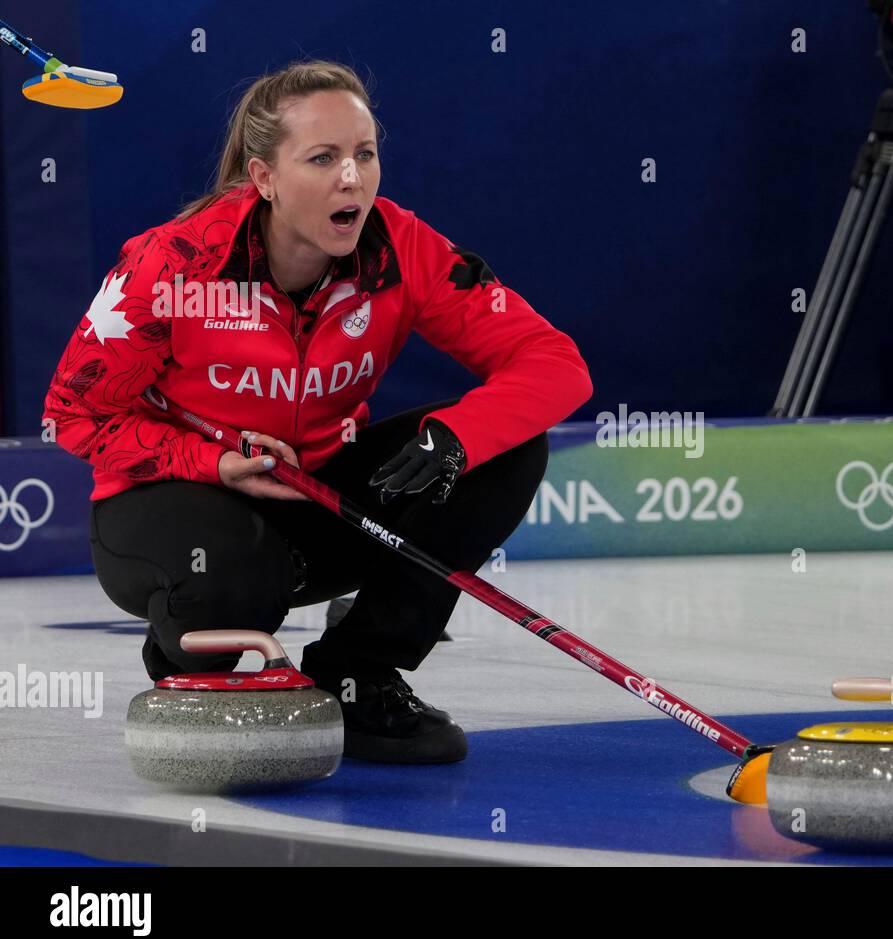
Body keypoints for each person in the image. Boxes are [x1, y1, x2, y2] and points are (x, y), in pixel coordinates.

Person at [42, 61, 593, 764]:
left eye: (365, 155)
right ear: (263, 177)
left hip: (319, 498)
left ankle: (358, 672)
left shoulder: (402, 247)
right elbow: (75, 413)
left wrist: (455, 439)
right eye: (323, 158)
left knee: (506, 449)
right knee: (234, 574)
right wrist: (211, 462)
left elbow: (554, 364)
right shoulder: (171, 264)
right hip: (173, 504)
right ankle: (190, 663)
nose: (352, 179)